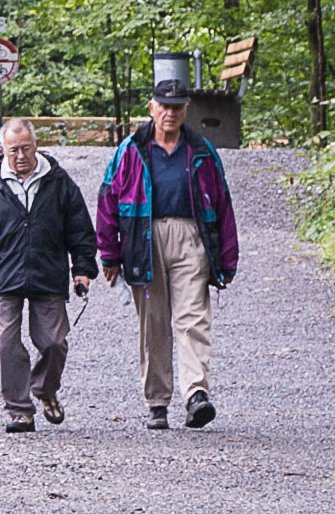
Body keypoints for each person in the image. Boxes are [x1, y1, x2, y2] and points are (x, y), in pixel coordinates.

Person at [95, 71, 240, 429]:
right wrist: (109, 254)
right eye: (164, 106)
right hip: (143, 237)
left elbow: (222, 204)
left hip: (190, 235)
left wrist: (226, 259)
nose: (170, 113)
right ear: (151, 107)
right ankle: (157, 402)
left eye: (177, 107)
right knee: (154, 323)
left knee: (192, 318)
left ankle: (196, 395)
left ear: (186, 109)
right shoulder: (130, 149)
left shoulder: (202, 150)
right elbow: (107, 201)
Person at [0, 117, 96, 434]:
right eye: (13, 150)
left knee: (54, 342)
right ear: (2, 149)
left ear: (36, 146)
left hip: (48, 273)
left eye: (26, 148)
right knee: (5, 343)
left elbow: (80, 230)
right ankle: (20, 411)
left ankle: (45, 390)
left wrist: (83, 270)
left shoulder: (59, 181)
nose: (20, 156)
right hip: (4, 275)